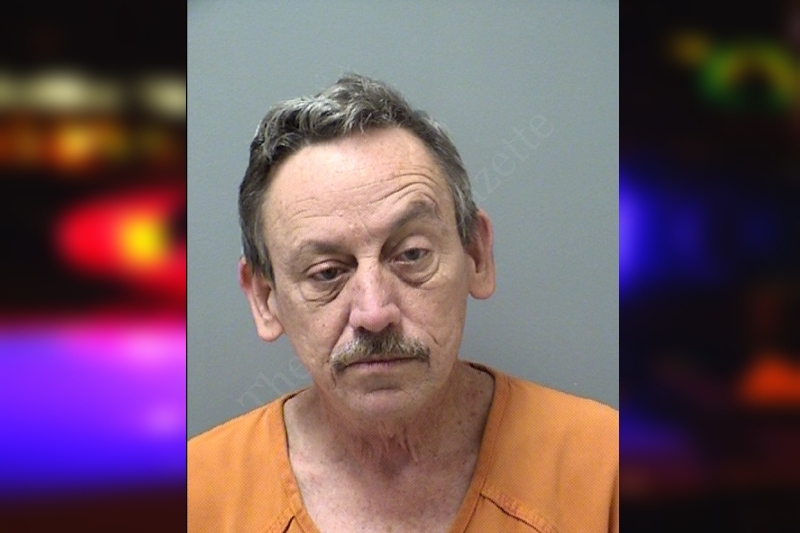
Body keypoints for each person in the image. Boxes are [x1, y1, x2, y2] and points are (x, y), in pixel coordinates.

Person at [188, 73, 618, 533]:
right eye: (327, 273)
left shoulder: (606, 467)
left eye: (412, 254)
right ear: (265, 299)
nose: (374, 314)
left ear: (476, 255)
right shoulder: (194, 496)